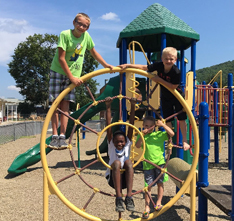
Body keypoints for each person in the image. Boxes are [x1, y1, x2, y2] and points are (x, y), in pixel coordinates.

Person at [48, 13, 113, 148]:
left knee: (66, 106)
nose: (82, 27)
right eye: (80, 24)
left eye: (85, 26)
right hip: (58, 71)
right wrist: (71, 77)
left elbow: (94, 52)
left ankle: (62, 136)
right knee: (55, 104)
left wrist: (106, 65)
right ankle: (54, 136)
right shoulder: (65, 35)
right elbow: (61, 58)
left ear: (88, 28)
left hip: (74, 75)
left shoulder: (86, 37)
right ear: (74, 22)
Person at [118, 47, 190, 151]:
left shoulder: (176, 72)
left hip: (177, 96)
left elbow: (173, 87)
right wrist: (128, 65)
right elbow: (144, 67)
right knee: (168, 119)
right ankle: (170, 139)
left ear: (175, 60)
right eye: (166, 58)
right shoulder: (159, 66)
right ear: (162, 59)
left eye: (171, 59)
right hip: (166, 97)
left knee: (182, 119)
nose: (168, 61)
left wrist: (159, 80)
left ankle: (184, 140)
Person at [135, 116, 174, 219]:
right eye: (146, 126)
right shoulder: (143, 136)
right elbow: (137, 146)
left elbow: (172, 134)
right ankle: (147, 208)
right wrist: (142, 134)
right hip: (148, 165)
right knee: (148, 187)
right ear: (143, 126)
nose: (148, 128)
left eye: (150, 126)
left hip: (160, 164)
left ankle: (159, 202)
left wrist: (162, 125)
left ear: (154, 126)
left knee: (160, 184)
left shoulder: (159, 135)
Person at [105, 97, 136, 212]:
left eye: (122, 141)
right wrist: (108, 107)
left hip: (125, 179)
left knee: (128, 162)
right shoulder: (111, 145)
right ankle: (118, 198)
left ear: (126, 141)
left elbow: (131, 124)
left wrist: (133, 107)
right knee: (117, 163)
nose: (120, 143)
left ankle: (129, 197)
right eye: (117, 141)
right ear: (112, 141)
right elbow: (108, 126)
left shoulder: (127, 144)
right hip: (113, 179)